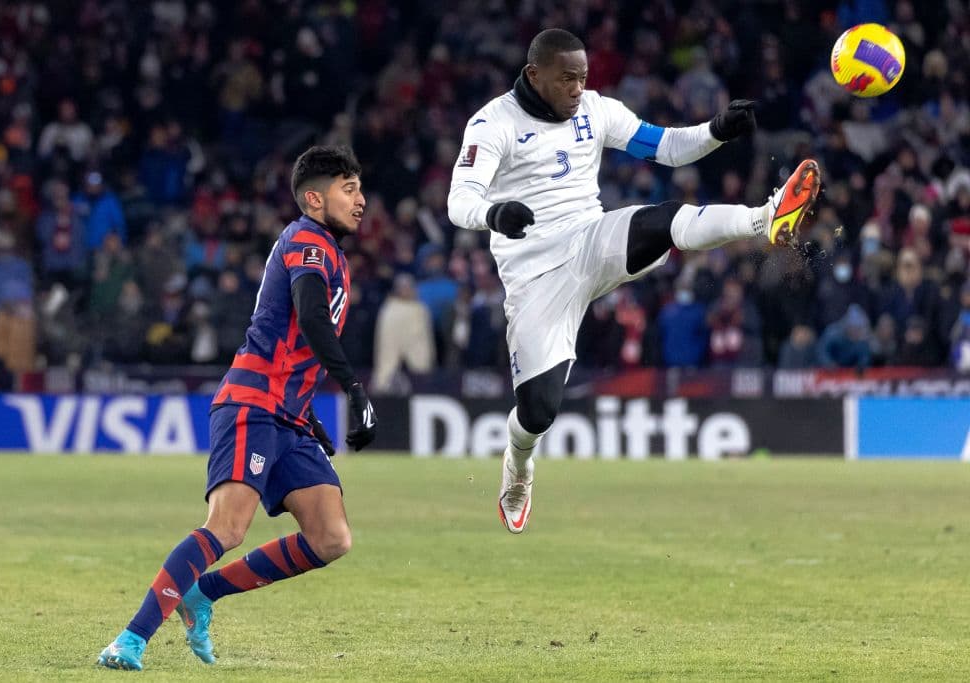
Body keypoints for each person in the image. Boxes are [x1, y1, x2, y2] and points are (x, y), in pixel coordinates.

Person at [447, 29, 821, 534]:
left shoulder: (595, 110)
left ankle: (765, 216)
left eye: (582, 77)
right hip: (534, 275)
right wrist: (493, 214)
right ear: (534, 75)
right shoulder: (493, 123)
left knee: (662, 220)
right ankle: (519, 465)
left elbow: (664, 146)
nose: (577, 88)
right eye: (566, 79)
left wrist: (716, 130)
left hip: (590, 238)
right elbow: (459, 200)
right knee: (538, 412)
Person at [98, 146, 378, 670]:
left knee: (331, 537)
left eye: (361, 188)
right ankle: (129, 639)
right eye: (349, 189)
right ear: (314, 199)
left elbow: (292, 337)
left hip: (289, 415)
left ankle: (202, 594)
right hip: (252, 402)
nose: (361, 200)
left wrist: (310, 412)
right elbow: (312, 318)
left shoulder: (329, 250)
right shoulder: (308, 242)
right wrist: (354, 389)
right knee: (226, 528)